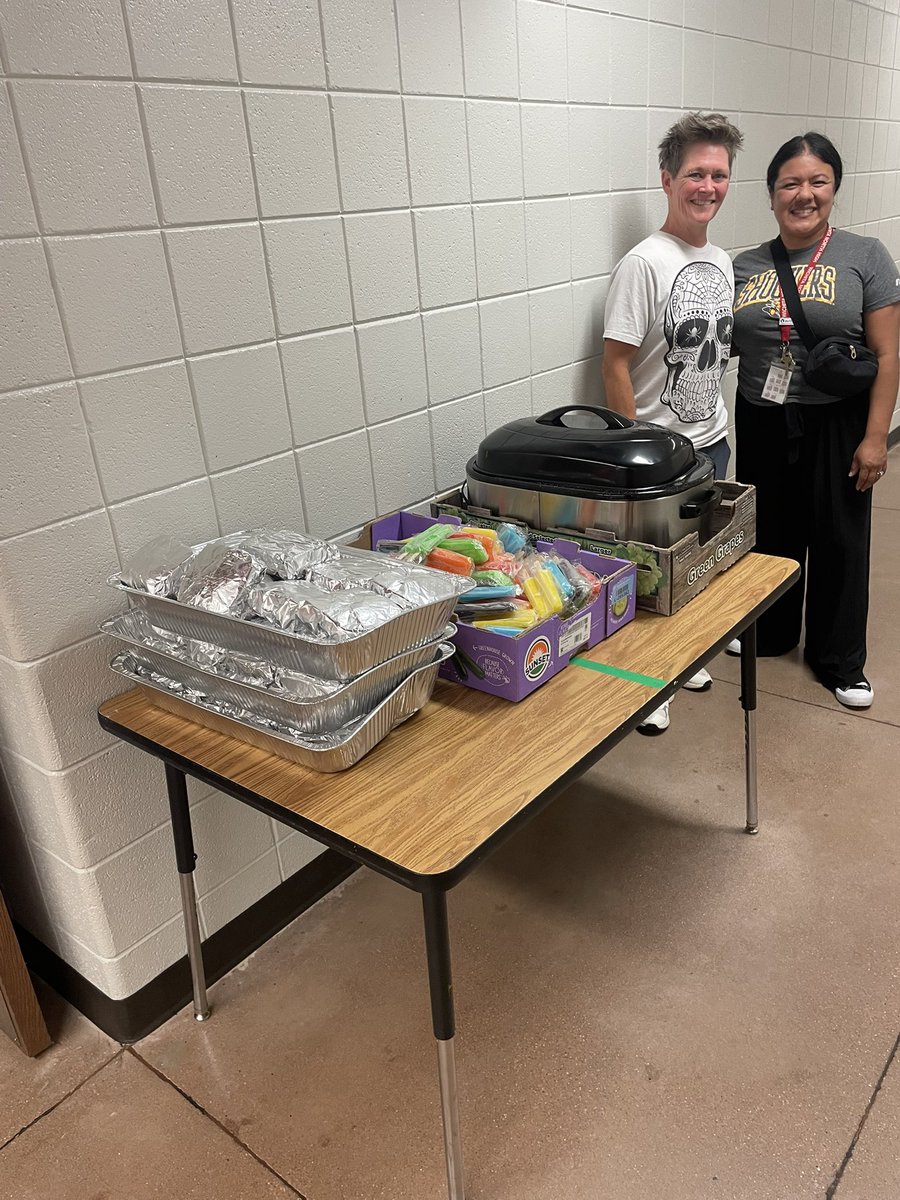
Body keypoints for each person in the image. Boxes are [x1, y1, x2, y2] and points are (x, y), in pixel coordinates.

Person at [730, 131, 899, 710]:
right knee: (770, 534)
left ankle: (839, 659)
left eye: (817, 181)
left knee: (839, 539)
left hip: (838, 421)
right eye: (790, 184)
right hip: (761, 416)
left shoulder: (865, 256)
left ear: (834, 188)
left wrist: (875, 437)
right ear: (771, 194)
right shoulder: (744, 265)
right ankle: (772, 632)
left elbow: (888, 354)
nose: (804, 194)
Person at [602, 111, 744, 735]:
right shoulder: (643, 263)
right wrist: (636, 451)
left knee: (701, 560)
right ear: (667, 179)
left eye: (719, 175)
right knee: (654, 574)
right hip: (661, 455)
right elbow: (615, 363)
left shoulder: (721, 260)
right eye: (695, 174)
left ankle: (689, 659)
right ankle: (650, 685)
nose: (707, 187)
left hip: (713, 442)